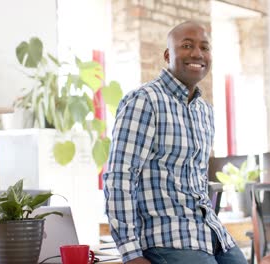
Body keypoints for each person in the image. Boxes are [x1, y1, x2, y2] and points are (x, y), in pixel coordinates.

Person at [104, 21, 247, 264]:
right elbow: (120, 176)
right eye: (187, 46)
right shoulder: (144, 101)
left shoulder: (205, 111)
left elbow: (198, 182)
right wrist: (130, 253)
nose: (197, 54)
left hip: (209, 233)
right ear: (168, 55)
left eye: (204, 47)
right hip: (166, 236)